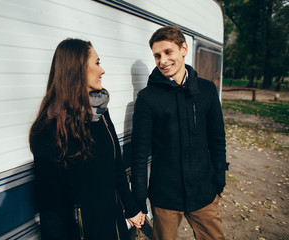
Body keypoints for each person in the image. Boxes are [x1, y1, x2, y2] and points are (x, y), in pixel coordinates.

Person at [29, 38, 143, 240]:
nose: (102, 70)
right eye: (97, 63)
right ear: (77, 69)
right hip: (84, 233)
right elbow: (50, 207)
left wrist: (131, 208)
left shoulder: (100, 113)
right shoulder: (48, 128)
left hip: (114, 226)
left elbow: (116, 167)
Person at [131, 26, 229, 240]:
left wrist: (218, 179)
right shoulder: (148, 98)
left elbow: (217, 139)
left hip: (204, 193)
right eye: (157, 55)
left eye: (168, 52)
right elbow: (139, 153)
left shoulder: (207, 90)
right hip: (165, 197)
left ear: (183, 49)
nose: (162, 61)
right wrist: (139, 199)